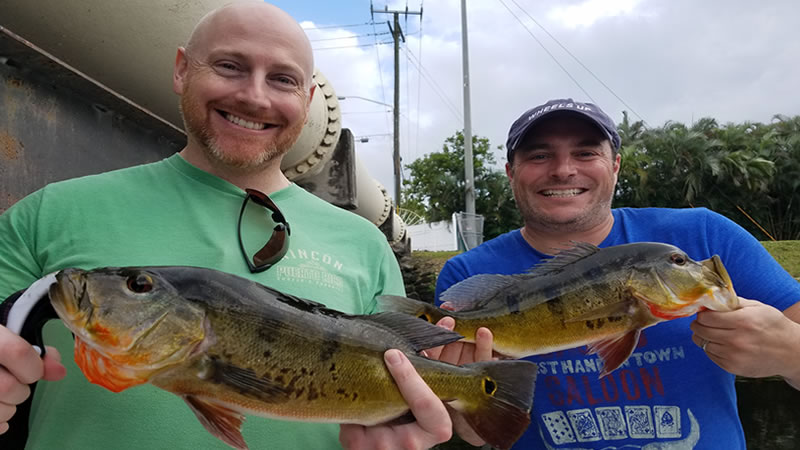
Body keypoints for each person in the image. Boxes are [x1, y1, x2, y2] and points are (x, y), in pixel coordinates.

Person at [0, 3, 491, 449]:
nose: (254, 96)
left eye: (282, 78)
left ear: (308, 96)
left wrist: (422, 428)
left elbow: (397, 392)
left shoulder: (366, 243)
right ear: (181, 69)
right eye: (230, 66)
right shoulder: (49, 214)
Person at [436, 98, 800, 449]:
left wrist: (789, 350)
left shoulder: (705, 235)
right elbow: (474, 434)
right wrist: (464, 394)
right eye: (539, 155)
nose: (563, 169)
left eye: (586, 152)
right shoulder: (468, 273)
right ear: (511, 173)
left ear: (615, 166)